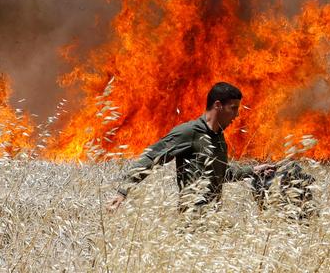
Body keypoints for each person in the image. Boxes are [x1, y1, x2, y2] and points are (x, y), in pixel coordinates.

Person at [107, 82, 275, 212]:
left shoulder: (218, 138)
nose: (237, 114)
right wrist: (123, 191)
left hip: (213, 221)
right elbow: (152, 157)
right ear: (218, 105)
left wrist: (253, 171)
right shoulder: (189, 132)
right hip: (192, 224)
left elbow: (221, 174)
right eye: (233, 108)